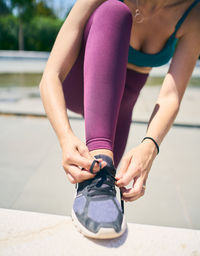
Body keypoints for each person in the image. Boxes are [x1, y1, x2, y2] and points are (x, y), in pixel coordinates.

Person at [39, 0, 200, 239]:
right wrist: (65, 136)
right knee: (115, 11)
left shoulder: (193, 13)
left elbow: (171, 95)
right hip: (78, 82)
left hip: (118, 112)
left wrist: (150, 146)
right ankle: (99, 155)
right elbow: (50, 75)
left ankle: (93, 193)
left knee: (103, 183)